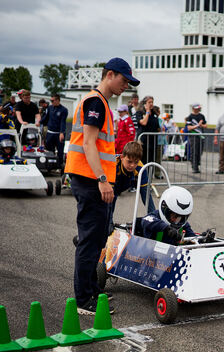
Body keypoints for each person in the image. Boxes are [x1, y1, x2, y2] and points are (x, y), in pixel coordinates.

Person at [65, 57, 140, 315]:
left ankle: (92, 291)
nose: (126, 86)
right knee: (89, 240)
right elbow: (88, 143)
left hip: (92, 179)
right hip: (89, 180)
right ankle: (83, 300)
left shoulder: (102, 103)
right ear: (110, 74)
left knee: (98, 240)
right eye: (123, 80)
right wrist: (103, 180)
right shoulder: (95, 101)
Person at [110, 141, 156, 230]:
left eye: (135, 162)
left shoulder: (141, 168)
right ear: (122, 157)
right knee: (103, 212)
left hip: (123, 184)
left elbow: (146, 196)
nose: (132, 165)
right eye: (129, 161)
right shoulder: (113, 164)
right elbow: (110, 196)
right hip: (103, 184)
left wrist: (155, 219)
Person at [42, 94, 68, 166]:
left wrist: (62, 132)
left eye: (52, 101)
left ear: (57, 100)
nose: (51, 102)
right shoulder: (50, 108)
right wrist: (38, 122)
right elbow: (45, 118)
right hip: (50, 132)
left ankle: (59, 165)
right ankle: (50, 165)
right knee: (50, 150)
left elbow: (63, 122)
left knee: (60, 151)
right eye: (51, 101)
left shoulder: (64, 110)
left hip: (58, 133)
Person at [136, 96, 160, 166]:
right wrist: (147, 112)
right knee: (142, 162)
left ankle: (150, 176)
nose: (151, 104)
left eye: (152, 102)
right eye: (149, 102)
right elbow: (143, 123)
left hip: (153, 142)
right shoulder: (139, 113)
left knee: (151, 162)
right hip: (143, 142)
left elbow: (157, 127)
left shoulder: (154, 114)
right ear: (144, 103)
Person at [185, 102, 207, 173]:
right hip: (193, 136)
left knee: (200, 151)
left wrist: (201, 125)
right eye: (196, 108)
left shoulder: (202, 116)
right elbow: (188, 128)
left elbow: (205, 125)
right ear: (193, 108)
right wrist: (197, 125)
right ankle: (194, 167)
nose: (198, 110)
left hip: (201, 135)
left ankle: (197, 163)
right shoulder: (190, 117)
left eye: (198, 108)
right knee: (194, 151)